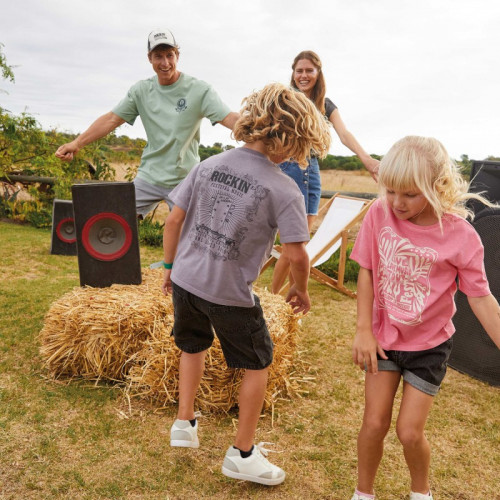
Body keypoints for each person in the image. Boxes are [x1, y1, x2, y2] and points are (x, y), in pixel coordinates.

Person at [160, 82, 331, 485]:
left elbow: (173, 220)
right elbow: (296, 254)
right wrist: (301, 289)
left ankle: (183, 423)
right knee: (258, 363)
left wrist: (169, 266)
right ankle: (243, 453)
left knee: (192, 344)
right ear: (292, 138)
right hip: (230, 295)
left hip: (185, 282)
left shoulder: (208, 165)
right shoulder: (284, 189)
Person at [349, 136, 500, 500]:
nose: (397, 203)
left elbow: (480, 300)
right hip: (383, 340)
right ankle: (362, 494)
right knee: (373, 423)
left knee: (409, 432)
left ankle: (421, 493)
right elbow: (367, 269)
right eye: (391, 191)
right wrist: (364, 330)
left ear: (437, 186)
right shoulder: (379, 213)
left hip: (429, 347)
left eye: (410, 195)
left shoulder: (462, 236)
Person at [55, 28, 239, 218]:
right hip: (149, 177)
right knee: (113, 221)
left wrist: (264, 128)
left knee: (185, 238)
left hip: (185, 181)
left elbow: (229, 118)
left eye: (170, 55)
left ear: (177, 55)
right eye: (158, 56)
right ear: (149, 58)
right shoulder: (141, 91)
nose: (165, 63)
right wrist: (76, 143)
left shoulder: (199, 90)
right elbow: (111, 119)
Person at [271, 50, 379, 293]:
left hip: (311, 174)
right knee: (292, 246)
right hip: (286, 169)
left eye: (309, 70)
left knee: (298, 245)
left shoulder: (325, 105)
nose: (304, 75)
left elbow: (344, 134)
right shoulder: (284, 100)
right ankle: (268, 302)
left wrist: (367, 159)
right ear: (293, 73)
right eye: (299, 70)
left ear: (318, 73)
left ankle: (284, 304)